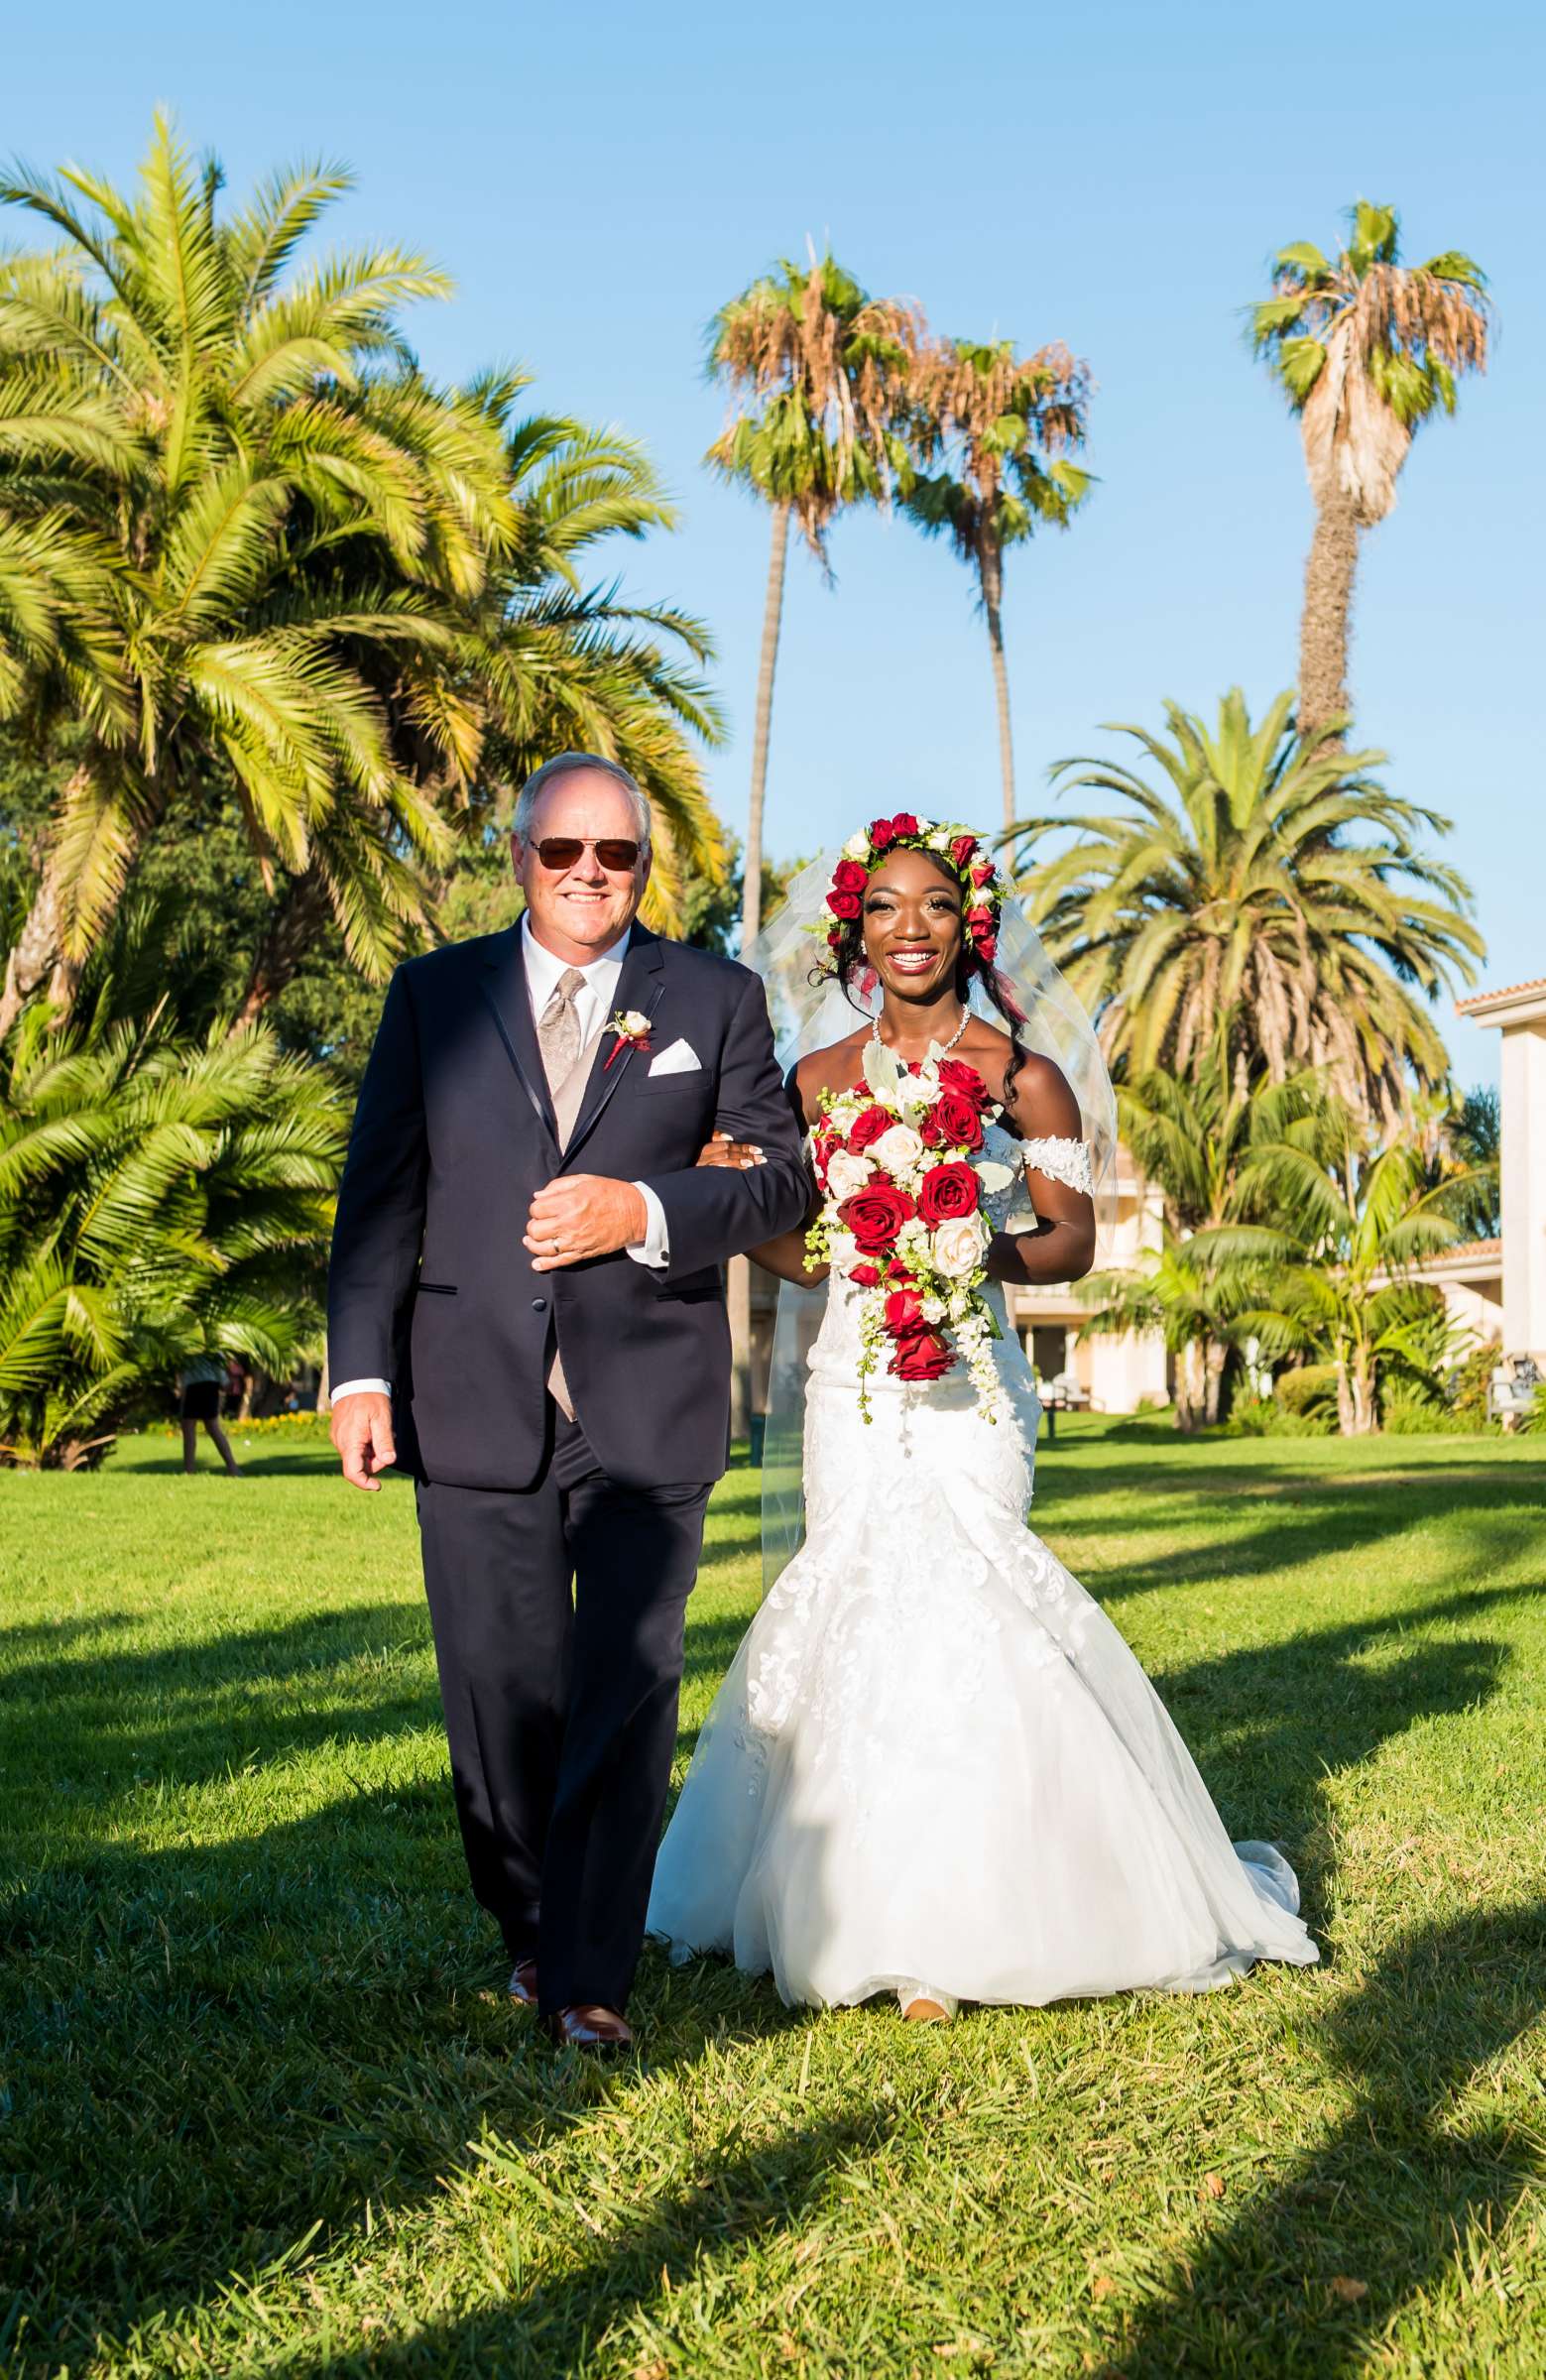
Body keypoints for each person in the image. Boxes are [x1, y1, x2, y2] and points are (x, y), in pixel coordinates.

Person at [648, 816, 1319, 2021]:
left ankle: (975, 1915)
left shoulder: (1020, 1074)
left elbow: (1071, 1236)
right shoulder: (814, 1080)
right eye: (888, 908)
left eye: (935, 908)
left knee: (970, 1589)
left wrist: (964, 1244)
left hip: (969, 1380)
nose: (911, 928)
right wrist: (728, 1197)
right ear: (855, 927)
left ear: (969, 926)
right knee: (853, 1589)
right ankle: (860, 1903)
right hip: (854, 1378)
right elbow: (803, 1262)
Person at [325, 753, 808, 2053]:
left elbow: (779, 1182)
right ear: (520, 857)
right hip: (470, 1393)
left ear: (645, 867)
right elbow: (378, 1198)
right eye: (564, 853)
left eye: (618, 855)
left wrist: (643, 1208)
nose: (591, 875)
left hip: (646, 1398)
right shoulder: (436, 997)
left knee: (627, 1684)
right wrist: (359, 1368)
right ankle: (531, 1933)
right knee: (496, 1695)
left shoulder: (711, 996)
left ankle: (590, 1975)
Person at [178, 1354, 241, 1477]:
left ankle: (232, 1468)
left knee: (206, 1427)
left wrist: (225, 1383)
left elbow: (218, 1363)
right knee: (197, 1427)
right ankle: (189, 1470)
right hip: (198, 1386)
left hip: (202, 1385)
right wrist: (225, 1383)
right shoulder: (198, 1345)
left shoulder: (203, 1345)